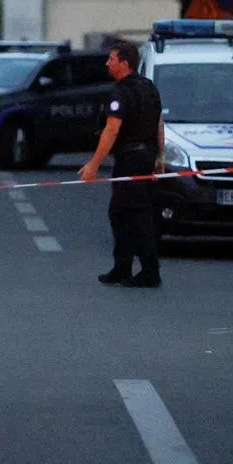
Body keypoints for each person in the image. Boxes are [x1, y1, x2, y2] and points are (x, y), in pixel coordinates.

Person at [78, 41, 165, 288]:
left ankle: (148, 271)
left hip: (131, 159)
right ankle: (123, 267)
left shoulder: (121, 92)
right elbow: (159, 123)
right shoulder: (149, 87)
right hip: (145, 157)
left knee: (134, 214)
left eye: (111, 59)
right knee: (124, 212)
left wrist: (93, 164)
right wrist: (160, 156)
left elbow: (112, 128)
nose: (107, 63)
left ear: (124, 63)